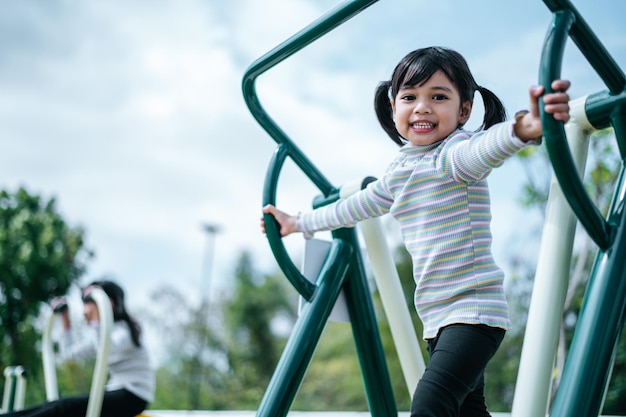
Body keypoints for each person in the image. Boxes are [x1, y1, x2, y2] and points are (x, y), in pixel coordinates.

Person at [261, 46, 571, 417]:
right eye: (409, 97)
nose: (422, 107)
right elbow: (352, 208)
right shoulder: (398, 174)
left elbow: (487, 148)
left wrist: (524, 129)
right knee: (468, 411)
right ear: (394, 111)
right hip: (437, 320)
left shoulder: (454, 157)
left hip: (472, 313)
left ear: (464, 111)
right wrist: (298, 223)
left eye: (438, 97)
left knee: (429, 405)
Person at [3, 280, 155, 417]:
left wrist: (97, 319)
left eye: (89, 304)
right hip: (116, 391)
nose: (84, 312)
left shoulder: (125, 331)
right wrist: (65, 319)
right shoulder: (103, 335)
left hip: (134, 396)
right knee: (56, 405)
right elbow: (69, 354)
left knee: (66, 406)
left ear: (108, 303)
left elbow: (108, 351)